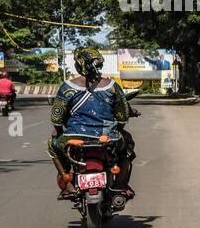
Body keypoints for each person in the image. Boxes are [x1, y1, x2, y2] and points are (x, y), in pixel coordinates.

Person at [47, 48, 136, 198]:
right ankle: (120, 184)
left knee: (52, 145)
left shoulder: (67, 87)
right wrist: (118, 130)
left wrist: (58, 130)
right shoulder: (112, 86)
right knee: (127, 145)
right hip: (107, 138)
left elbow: (57, 117)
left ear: (79, 65)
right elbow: (122, 116)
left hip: (74, 137)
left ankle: (68, 185)